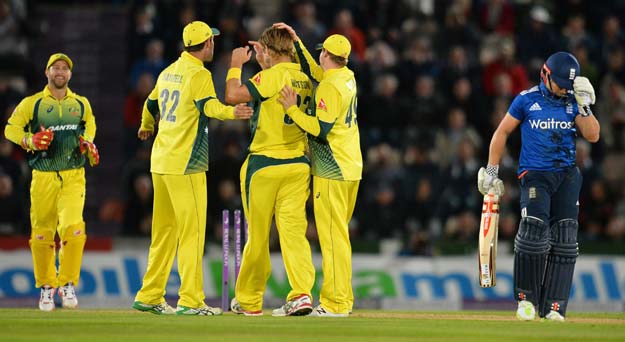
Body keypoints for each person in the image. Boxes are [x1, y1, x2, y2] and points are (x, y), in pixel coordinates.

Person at [132, 21, 253, 316]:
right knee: (192, 233)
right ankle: (190, 300)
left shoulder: (168, 71)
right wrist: (232, 112)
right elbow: (209, 107)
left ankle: (149, 294)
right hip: (186, 165)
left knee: (164, 233)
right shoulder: (199, 74)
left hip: (161, 162)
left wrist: (147, 126)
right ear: (207, 44)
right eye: (212, 40)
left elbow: (150, 104)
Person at [477, 51, 600, 321]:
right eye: (560, 83)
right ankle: (526, 301)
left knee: (566, 240)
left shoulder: (572, 100)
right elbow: (502, 132)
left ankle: (554, 307)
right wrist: (492, 170)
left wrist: (585, 106)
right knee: (533, 234)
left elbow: (593, 135)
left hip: (566, 175)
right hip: (535, 175)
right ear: (545, 75)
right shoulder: (526, 99)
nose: (564, 89)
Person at [224, 26, 315, 316]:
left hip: (264, 165)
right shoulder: (303, 77)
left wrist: (236, 65)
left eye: (263, 50)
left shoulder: (272, 76)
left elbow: (233, 95)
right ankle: (301, 294)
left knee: (259, 236)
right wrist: (267, 60)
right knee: (294, 235)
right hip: (298, 165)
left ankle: (249, 301)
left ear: (272, 52)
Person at [276, 23, 363, 317]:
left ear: (327, 54)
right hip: (351, 167)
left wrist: (292, 109)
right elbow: (317, 72)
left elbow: (320, 129)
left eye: (320, 53)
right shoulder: (347, 78)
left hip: (332, 170)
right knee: (339, 235)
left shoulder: (330, 86)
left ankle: (335, 303)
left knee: (332, 238)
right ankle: (343, 299)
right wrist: (298, 41)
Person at [4, 53, 100, 311]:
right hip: (43, 175)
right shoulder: (33, 104)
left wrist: (87, 143)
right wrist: (29, 141)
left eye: (64, 69)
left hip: (73, 175)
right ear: (47, 73)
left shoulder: (81, 104)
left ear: (70, 75)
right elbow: (10, 129)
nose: (60, 72)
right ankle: (47, 288)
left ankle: (67, 284)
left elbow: (89, 125)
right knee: (42, 233)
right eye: (55, 68)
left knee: (73, 229)